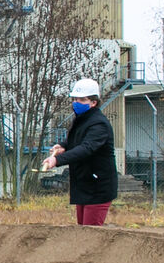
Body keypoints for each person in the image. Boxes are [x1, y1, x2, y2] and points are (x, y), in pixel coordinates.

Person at [41, 78, 117, 225]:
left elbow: (86, 148)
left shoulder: (99, 124)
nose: (76, 103)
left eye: (82, 99)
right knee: (81, 231)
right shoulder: (82, 120)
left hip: (97, 188)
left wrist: (57, 160)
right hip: (84, 184)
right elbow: (77, 141)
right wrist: (64, 146)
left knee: (90, 234)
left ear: (93, 102)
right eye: (75, 99)